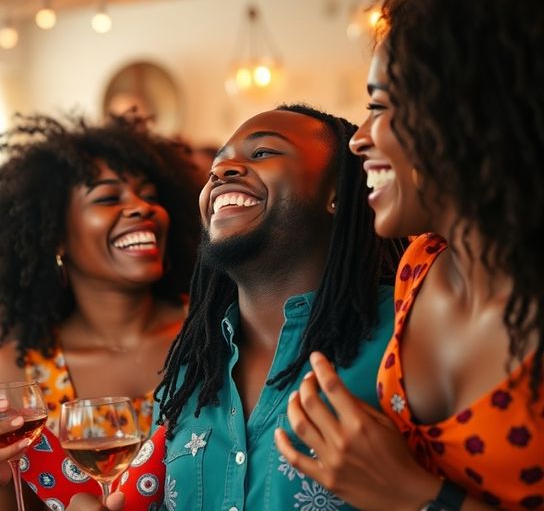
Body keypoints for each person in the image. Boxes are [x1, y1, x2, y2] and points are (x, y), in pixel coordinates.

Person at [276, 1, 544, 510]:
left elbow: (405, 488)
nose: (358, 138)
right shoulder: (419, 267)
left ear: (472, 115)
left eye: (379, 108)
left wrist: (415, 496)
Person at [147, 104, 405, 511]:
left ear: (338, 192)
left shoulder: (406, 335)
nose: (223, 171)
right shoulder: (187, 369)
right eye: (216, 165)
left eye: (263, 152)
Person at [0, 113, 201, 510]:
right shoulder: (18, 376)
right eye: (107, 198)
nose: (141, 208)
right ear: (55, 235)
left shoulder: (214, 334)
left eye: (151, 195)